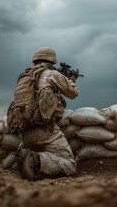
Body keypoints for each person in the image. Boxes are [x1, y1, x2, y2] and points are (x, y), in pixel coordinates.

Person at [9, 47, 79, 181]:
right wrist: (71, 79)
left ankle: (27, 156)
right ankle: (34, 159)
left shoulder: (25, 77)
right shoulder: (53, 75)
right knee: (70, 165)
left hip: (24, 132)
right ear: (52, 60)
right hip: (45, 130)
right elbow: (73, 93)